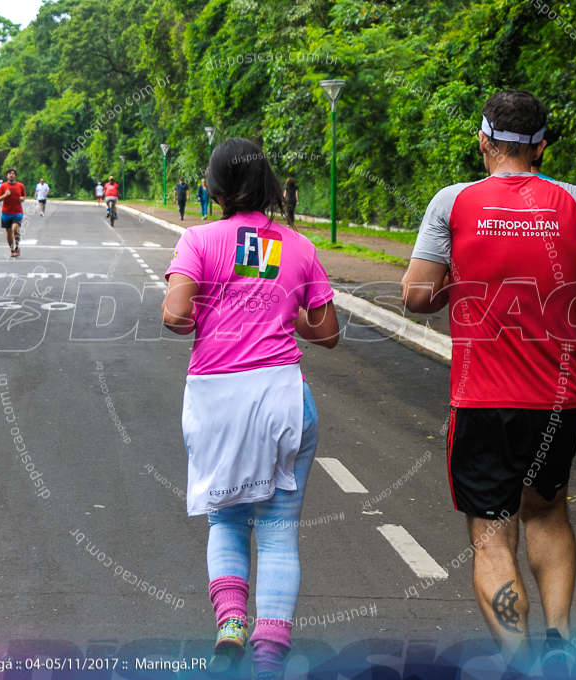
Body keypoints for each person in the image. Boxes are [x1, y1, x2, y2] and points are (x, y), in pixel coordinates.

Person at [402, 90, 576, 676]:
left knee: (491, 535)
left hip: (483, 396)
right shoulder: (575, 200)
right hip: (559, 397)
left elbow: (415, 296)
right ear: (541, 146)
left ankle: (519, 660)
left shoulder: (454, 202)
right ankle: (560, 639)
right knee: (548, 512)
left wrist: (455, 291)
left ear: (483, 141)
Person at [161, 138, 339, 680]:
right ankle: (269, 656)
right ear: (266, 183)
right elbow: (326, 332)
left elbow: (175, 317)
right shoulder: (298, 246)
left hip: (216, 397)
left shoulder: (196, 239)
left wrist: (208, 315)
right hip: (283, 396)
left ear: (213, 188)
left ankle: (231, 625)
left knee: (227, 517)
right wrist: (284, 317)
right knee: (280, 528)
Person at [0, 168, 26, 257]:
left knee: (15, 229)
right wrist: (6, 195)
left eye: (13, 173)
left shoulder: (20, 185)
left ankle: (17, 246)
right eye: (9, 173)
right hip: (6, 213)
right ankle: (12, 249)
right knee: (9, 232)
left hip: (17, 212)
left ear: (15, 175)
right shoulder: (3, 186)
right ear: (7, 176)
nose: (11, 175)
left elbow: (24, 196)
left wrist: (22, 199)